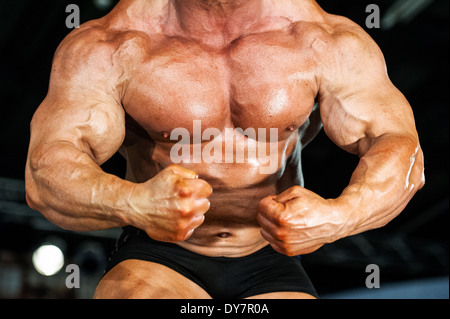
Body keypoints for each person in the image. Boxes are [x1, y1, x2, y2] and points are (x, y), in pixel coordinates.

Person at [25, 0, 425, 299]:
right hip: (161, 255)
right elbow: (46, 171)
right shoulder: (109, 46)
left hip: (270, 259)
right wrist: (134, 203)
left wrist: (341, 217)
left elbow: (400, 149)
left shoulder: (327, 41)